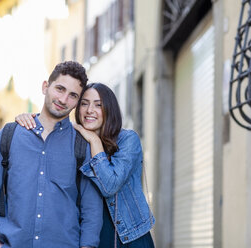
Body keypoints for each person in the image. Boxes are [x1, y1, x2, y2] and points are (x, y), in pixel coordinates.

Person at [0, 61, 103, 248]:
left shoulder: (81, 144)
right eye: (59, 89)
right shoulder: (9, 135)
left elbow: (91, 207)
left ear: (77, 102)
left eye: (72, 96)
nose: (63, 99)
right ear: (45, 86)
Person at [16, 83, 155, 248]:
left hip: (130, 238)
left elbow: (110, 185)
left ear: (109, 109)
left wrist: (94, 140)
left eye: (98, 105)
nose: (90, 110)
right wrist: (29, 119)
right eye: (84, 103)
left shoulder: (127, 140)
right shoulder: (73, 142)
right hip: (88, 238)